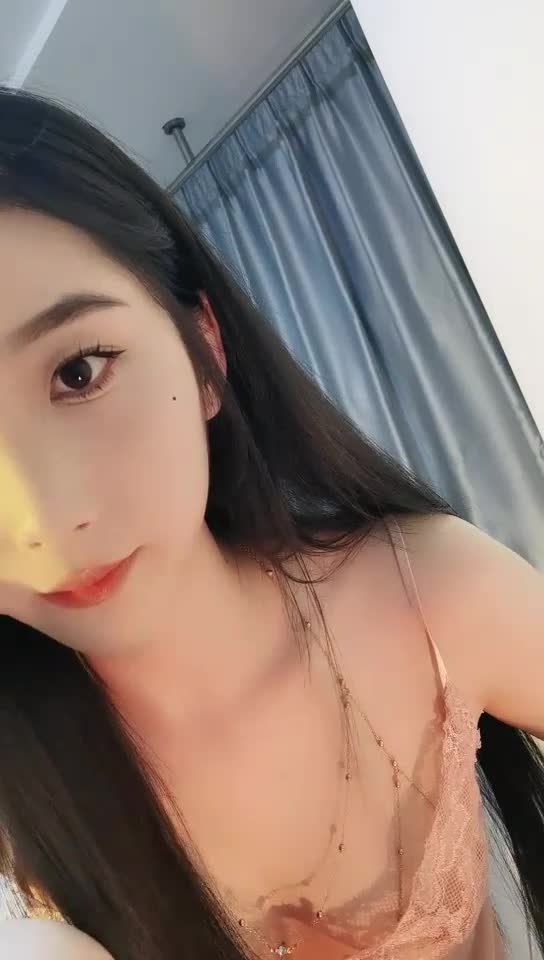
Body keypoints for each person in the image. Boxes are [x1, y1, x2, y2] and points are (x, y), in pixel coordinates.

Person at [0, 86, 542, 960]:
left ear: (203, 351)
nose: (47, 521)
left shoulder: (425, 595)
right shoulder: (22, 819)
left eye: (80, 372)